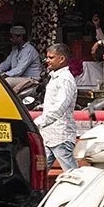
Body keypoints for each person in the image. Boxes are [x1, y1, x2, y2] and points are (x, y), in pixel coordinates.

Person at [34, 43, 79, 172]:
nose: (47, 61)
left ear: (62, 59)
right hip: (49, 135)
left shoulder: (65, 79)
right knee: (39, 172)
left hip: (60, 136)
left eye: (51, 57)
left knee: (72, 174)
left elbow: (60, 107)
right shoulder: (56, 77)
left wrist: (38, 122)